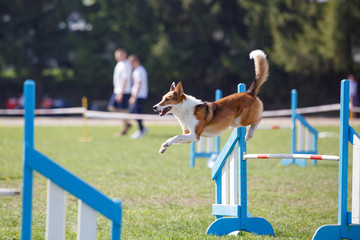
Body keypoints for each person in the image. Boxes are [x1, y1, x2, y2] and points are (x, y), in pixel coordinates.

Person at [108, 48, 133, 136]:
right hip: (117, 90)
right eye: (116, 55)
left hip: (123, 91)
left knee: (123, 110)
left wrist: (121, 93)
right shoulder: (119, 64)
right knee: (112, 108)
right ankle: (127, 123)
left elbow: (125, 79)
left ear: (124, 54)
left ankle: (125, 127)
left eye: (120, 54)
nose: (118, 56)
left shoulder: (125, 64)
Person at [128, 54, 149, 139]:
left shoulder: (139, 70)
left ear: (135, 62)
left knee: (136, 113)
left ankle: (141, 130)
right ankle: (142, 128)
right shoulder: (137, 70)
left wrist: (134, 97)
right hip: (138, 95)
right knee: (133, 112)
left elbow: (138, 84)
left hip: (139, 95)